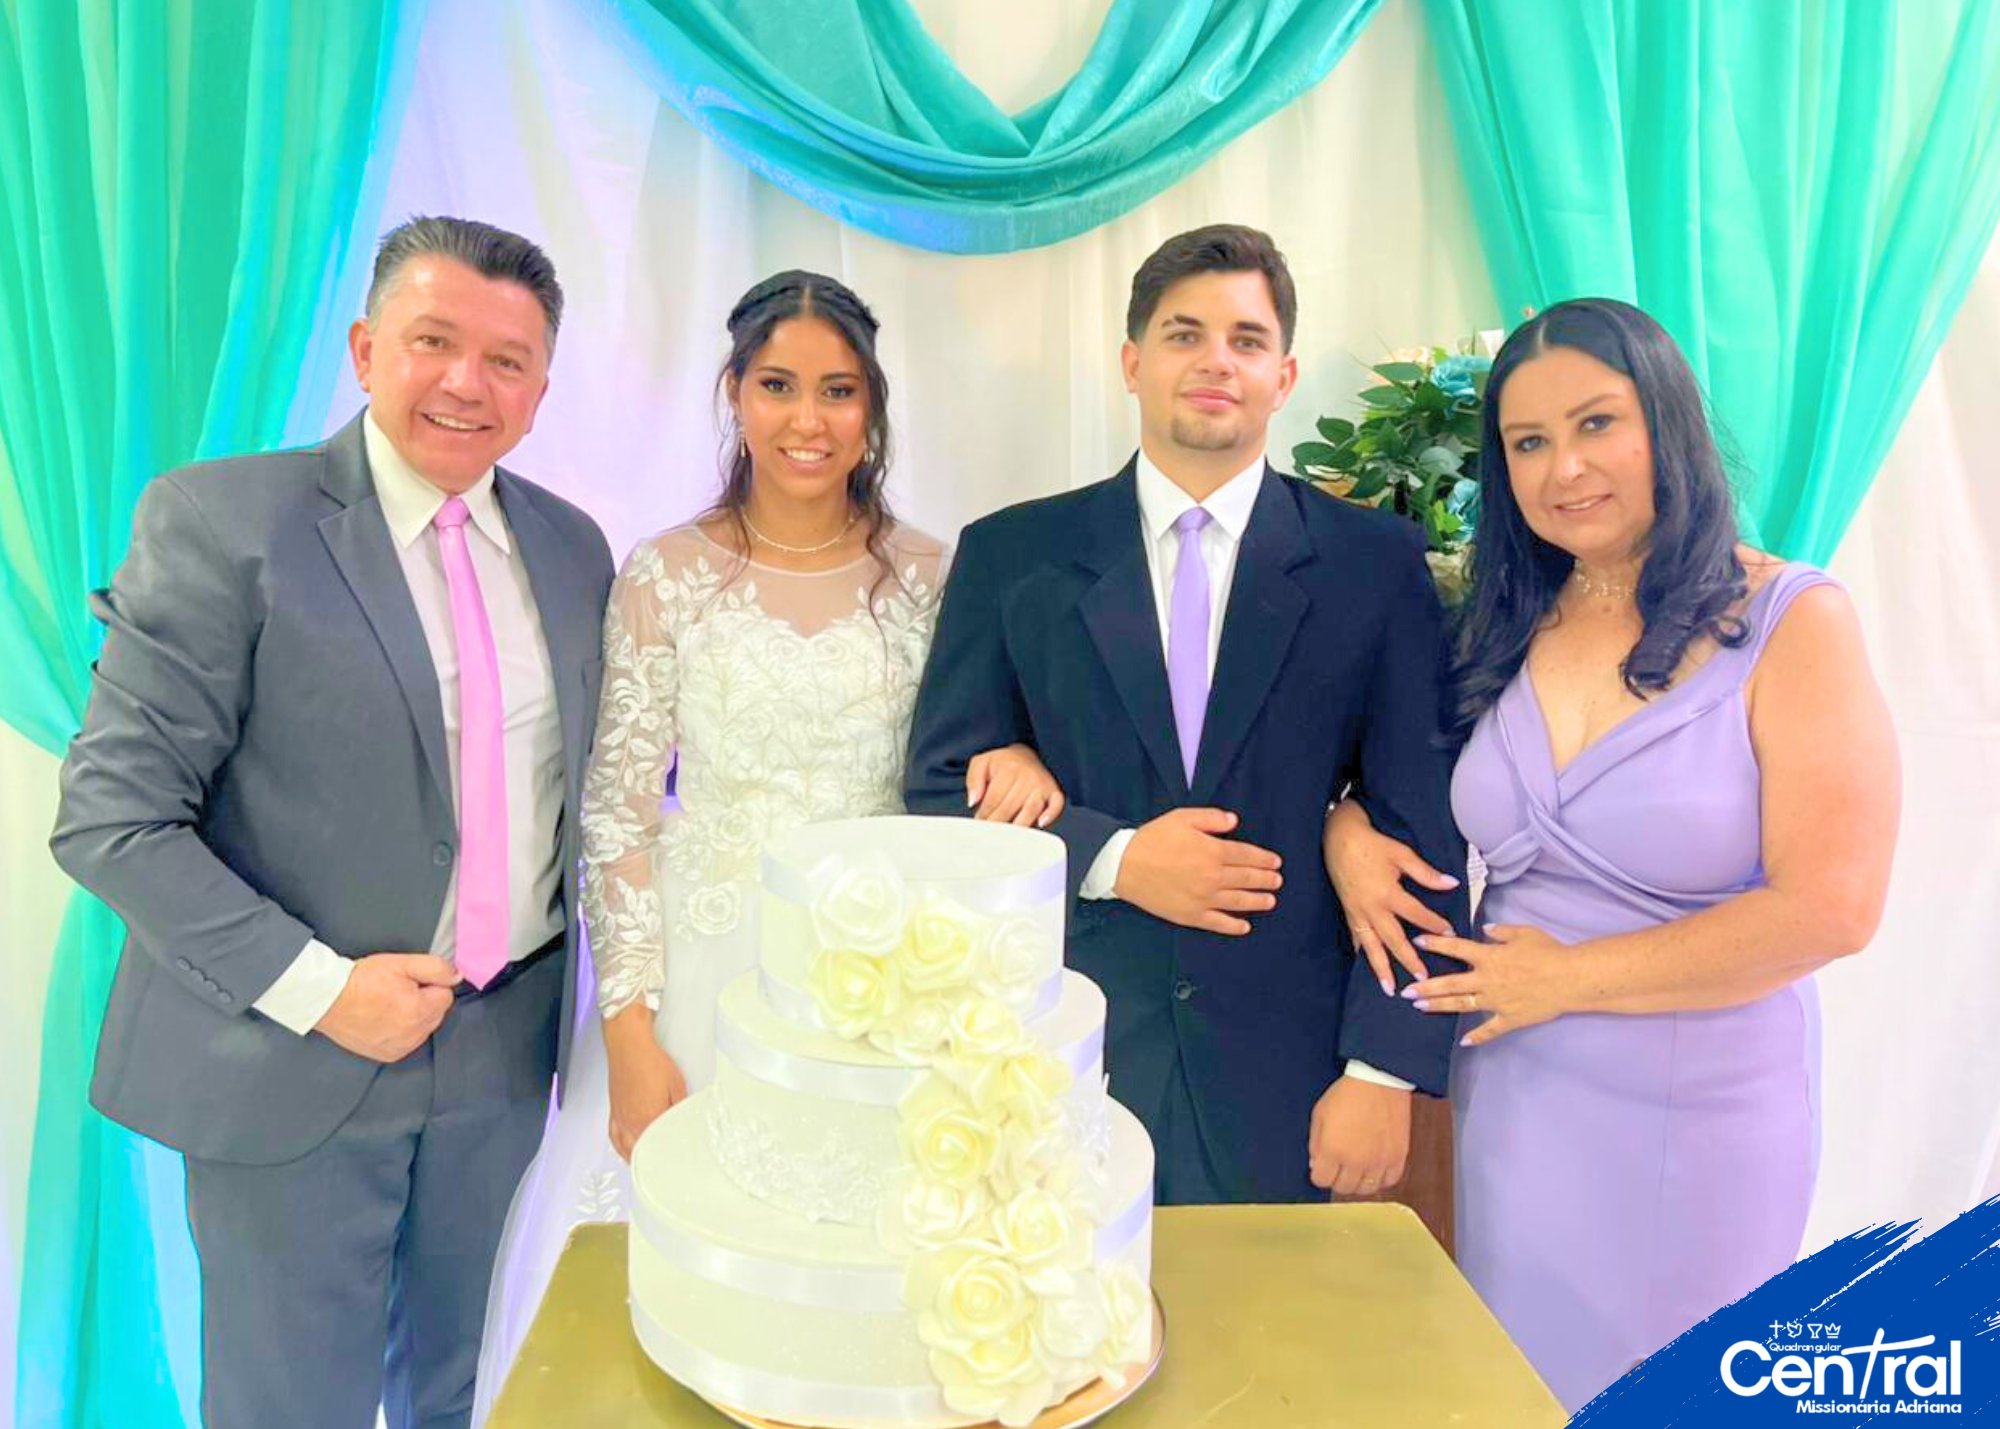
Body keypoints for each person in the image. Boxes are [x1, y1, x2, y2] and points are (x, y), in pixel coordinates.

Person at [50, 217, 612, 1429]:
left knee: (476, 1392)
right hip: (293, 1053)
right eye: (433, 341)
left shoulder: (573, 547)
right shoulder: (223, 522)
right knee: (291, 1407)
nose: (467, 383)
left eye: (506, 360)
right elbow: (113, 818)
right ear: (364, 350)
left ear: (540, 390)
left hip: (507, 1055)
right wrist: (323, 990)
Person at [470, 270, 1061, 1418]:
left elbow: (975, 748)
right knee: (684, 1289)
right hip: (702, 968)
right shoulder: (665, 574)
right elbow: (616, 814)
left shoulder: (933, 575)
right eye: (778, 385)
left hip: (885, 971)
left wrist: (1020, 755)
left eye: (838, 390)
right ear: (734, 392)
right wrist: (629, 1032)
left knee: (865, 1284)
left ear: (872, 405)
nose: (807, 419)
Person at [1322, 298, 1899, 1409]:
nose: (1564, 468)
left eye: (1596, 424)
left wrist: (1569, 979)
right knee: (1521, 1385)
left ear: (1665, 424)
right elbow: (1396, 777)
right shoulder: (1500, 616)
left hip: (1702, 1109)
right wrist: (1345, 829)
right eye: (1528, 442)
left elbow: (1833, 907)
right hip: (1514, 1094)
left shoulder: (1792, 619)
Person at [903, 225, 1468, 1205]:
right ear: (1132, 363)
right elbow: (938, 789)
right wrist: (1116, 859)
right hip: (1059, 1061)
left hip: (1292, 1075)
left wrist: (1383, 1070)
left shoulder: (1373, 565)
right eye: (1183, 334)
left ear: (1283, 377)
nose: (1216, 360)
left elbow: (1422, 832)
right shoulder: (1012, 556)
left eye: (1246, 340)